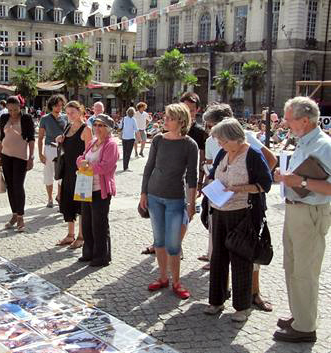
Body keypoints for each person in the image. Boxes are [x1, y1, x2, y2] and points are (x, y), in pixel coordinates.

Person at [202, 103, 277, 311]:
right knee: (218, 257)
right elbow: (213, 173)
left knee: (241, 259)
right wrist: (210, 186)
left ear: (235, 137)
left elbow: (265, 183)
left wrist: (241, 188)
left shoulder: (252, 154)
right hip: (220, 211)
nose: (220, 143)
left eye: (223, 140)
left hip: (243, 213)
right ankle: (216, 301)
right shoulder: (222, 152)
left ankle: (242, 306)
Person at [273, 97, 331, 343]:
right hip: (295, 210)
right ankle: (300, 314)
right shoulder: (303, 141)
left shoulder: (324, 145)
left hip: (310, 212)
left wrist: (302, 182)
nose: (285, 123)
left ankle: (306, 327)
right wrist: (284, 177)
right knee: (293, 266)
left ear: (304, 121)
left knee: (305, 269)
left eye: (289, 118)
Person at [140, 103, 198, 299]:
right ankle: (163, 277)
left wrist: (190, 204)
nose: (164, 120)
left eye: (169, 117)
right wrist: (143, 193)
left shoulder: (190, 144)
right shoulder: (157, 140)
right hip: (154, 195)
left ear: (180, 121)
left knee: (173, 244)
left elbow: (192, 177)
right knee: (159, 241)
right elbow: (149, 168)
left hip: (175, 198)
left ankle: (177, 282)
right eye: (165, 116)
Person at [77, 114, 119, 267]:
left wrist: (87, 166)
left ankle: (101, 256)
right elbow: (82, 157)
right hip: (86, 187)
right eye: (96, 125)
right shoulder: (93, 142)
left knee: (99, 224)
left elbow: (106, 166)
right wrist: (80, 162)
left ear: (108, 129)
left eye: (101, 126)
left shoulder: (111, 145)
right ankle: (88, 252)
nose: (97, 128)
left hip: (101, 189)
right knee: (86, 223)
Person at [55, 101, 92, 248]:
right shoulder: (68, 127)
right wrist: (60, 139)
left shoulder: (86, 129)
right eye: (68, 113)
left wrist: (85, 171)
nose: (70, 116)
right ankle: (70, 235)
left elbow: (88, 153)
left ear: (80, 111)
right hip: (67, 171)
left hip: (81, 172)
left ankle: (81, 236)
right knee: (67, 202)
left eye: (73, 113)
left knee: (81, 205)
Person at [0, 95, 35, 232]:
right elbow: (1, 137)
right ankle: (14, 214)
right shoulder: (4, 118)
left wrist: (31, 157)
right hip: (6, 156)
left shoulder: (26, 118)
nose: (12, 112)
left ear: (20, 107)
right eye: (10, 110)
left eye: (15, 109)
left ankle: (21, 216)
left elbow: (31, 139)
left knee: (18, 186)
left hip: (20, 157)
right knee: (10, 186)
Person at [38, 94, 67, 208]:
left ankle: (59, 196)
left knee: (62, 174)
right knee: (48, 173)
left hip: (62, 149)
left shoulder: (65, 117)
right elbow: (40, 138)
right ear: (52, 105)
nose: (59, 108)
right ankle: (50, 198)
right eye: (57, 105)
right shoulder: (45, 118)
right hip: (49, 148)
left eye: (61, 105)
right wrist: (40, 153)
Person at [180, 92, 208, 193]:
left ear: (197, 110)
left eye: (191, 111)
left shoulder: (200, 132)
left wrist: (200, 182)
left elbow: (203, 158)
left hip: (190, 181)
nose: (187, 114)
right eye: (184, 110)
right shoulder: (170, 128)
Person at [119, 107, 140, 171]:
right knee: (128, 153)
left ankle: (124, 166)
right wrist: (139, 138)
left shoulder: (123, 119)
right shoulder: (133, 120)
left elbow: (120, 127)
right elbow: (136, 130)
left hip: (124, 137)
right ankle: (126, 167)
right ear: (133, 113)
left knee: (125, 153)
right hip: (131, 138)